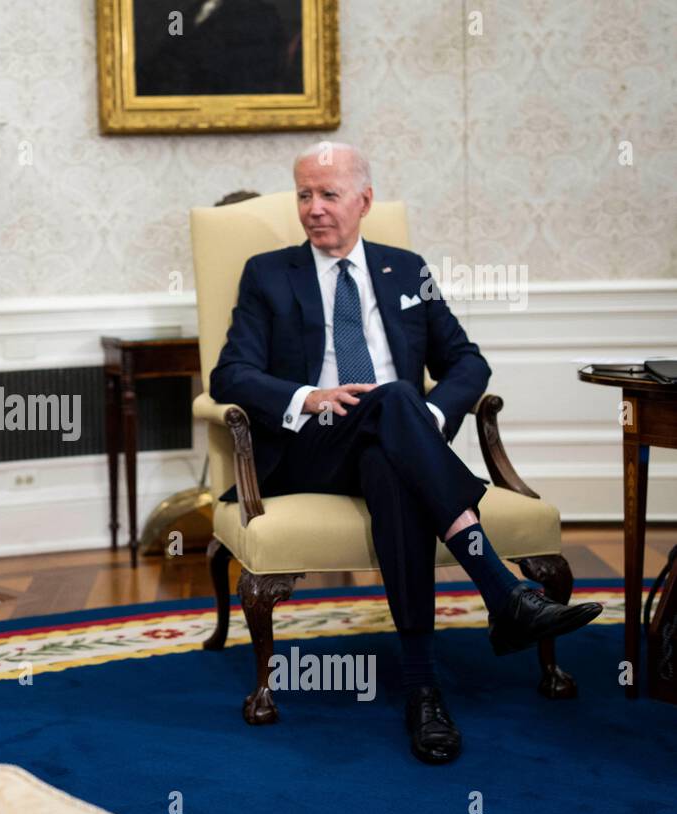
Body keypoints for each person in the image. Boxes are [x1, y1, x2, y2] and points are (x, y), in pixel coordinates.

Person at [209, 142, 603, 764]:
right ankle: (502, 592)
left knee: (391, 457)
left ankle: (423, 691)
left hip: (395, 442)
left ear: (364, 201)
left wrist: (435, 414)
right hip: (311, 449)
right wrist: (310, 397)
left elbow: (467, 361)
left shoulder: (405, 268)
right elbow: (228, 376)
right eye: (304, 194)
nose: (314, 209)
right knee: (394, 401)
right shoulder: (268, 272)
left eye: (329, 194)